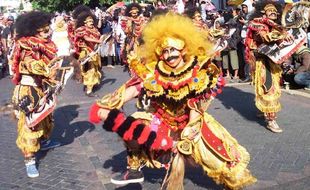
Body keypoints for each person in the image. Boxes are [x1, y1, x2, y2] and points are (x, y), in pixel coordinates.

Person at [89, 13, 256, 190]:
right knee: (134, 125)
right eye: (165, 51)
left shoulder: (198, 73)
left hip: (193, 123)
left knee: (223, 162)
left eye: (173, 50)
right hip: (162, 122)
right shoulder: (152, 73)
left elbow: (196, 107)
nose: (169, 55)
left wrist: (188, 133)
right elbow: (130, 90)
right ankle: (134, 168)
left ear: (183, 49)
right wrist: (106, 106)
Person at [11, 11, 62, 178]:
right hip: (28, 90)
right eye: (45, 30)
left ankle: (44, 141)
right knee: (29, 124)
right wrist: (48, 70)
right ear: (34, 31)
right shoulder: (25, 45)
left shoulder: (45, 44)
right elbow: (26, 65)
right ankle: (29, 160)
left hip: (42, 87)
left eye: (48, 29)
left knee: (46, 118)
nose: (49, 33)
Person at [245, 1, 296, 133]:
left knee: (272, 87)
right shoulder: (257, 24)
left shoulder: (277, 26)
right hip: (263, 63)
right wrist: (282, 35)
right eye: (270, 10)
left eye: (275, 10)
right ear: (263, 12)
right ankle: (271, 120)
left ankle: (264, 110)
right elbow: (266, 38)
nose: (273, 12)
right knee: (269, 89)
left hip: (274, 62)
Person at [74, 12, 103, 96]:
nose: (91, 22)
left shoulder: (94, 29)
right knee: (90, 70)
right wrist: (98, 41)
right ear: (85, 23)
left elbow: (99, 32)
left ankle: (90, 86)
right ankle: (88, 91)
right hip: (86, 52)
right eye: (89, 21)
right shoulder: (83, 29)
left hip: (94, 52)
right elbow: (86, 38)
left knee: (94, 70)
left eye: (92, 21)